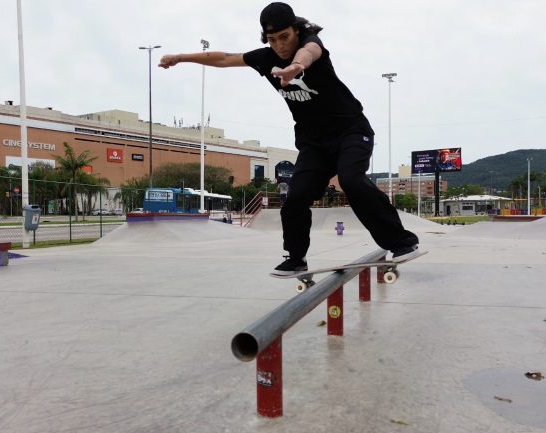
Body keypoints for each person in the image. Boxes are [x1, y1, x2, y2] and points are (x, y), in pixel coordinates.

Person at [159, 2, 420, 275]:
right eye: (272, 40)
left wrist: (295, 66)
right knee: (295, 196)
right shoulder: (265, 58)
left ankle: (402, 241)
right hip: (314, 144)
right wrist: (180, 57)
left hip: (351, 131)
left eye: (284, 37)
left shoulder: (310, 43)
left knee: (351, 179)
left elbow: (310, 52)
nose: (279, 46)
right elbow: (224, 58)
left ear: (296, 30)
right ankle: (296, 258)